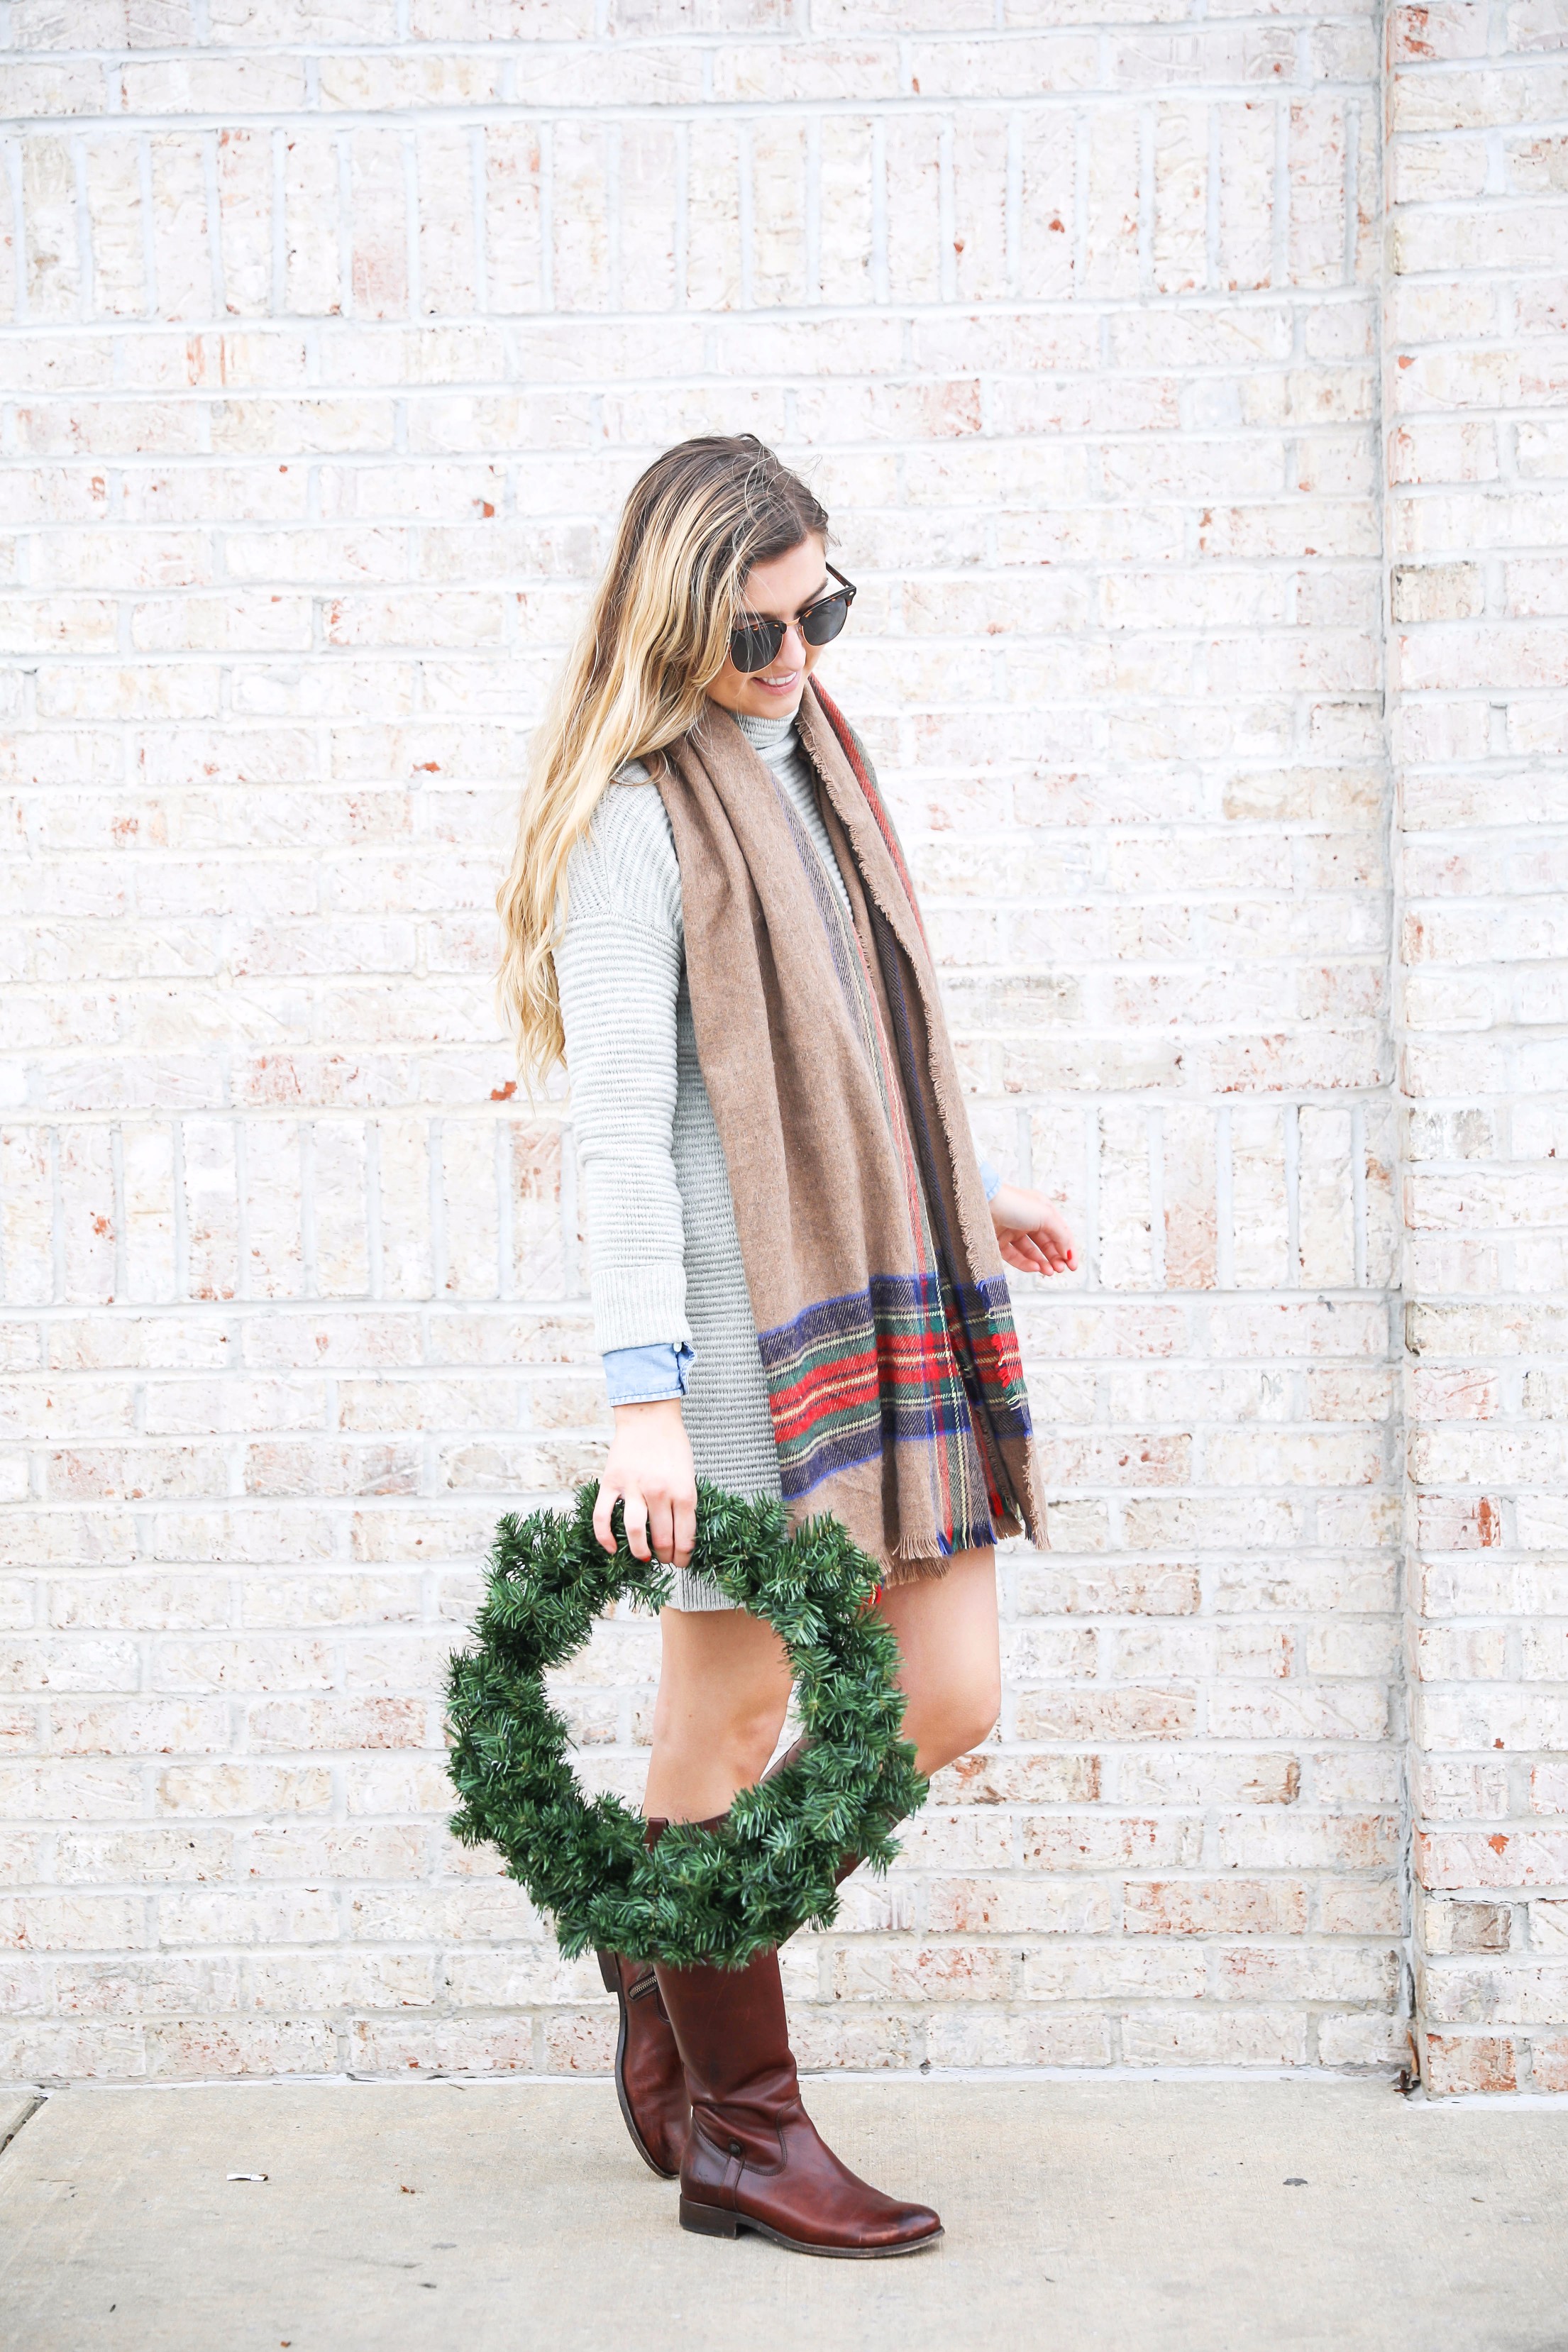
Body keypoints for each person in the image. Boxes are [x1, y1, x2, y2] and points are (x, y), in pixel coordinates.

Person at [497, 436, 1076, 2258]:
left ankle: (669, 1938)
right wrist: (642, 1401)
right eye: (759, 632)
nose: (800, 652)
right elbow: (621, 1138)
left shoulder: (821, 764)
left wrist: (964, 1190)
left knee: (951, 1689)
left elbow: (862, 1031)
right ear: (677, 626)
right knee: (733, 1718)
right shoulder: (633, 821)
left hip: (882, 1296)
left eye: (822, 605)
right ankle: (747, 2130)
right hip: (742, 1344)